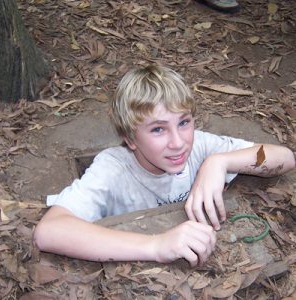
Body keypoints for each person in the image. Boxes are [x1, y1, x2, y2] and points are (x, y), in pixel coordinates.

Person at [34, 65, 295, 267]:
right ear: (130, 139)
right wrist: (156, 246)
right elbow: (49, 231)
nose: (179, 143)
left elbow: (284, 157)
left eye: (184, 122)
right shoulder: (112, 168)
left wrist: (220, 162)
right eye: (158, 129)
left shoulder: (201, 146)